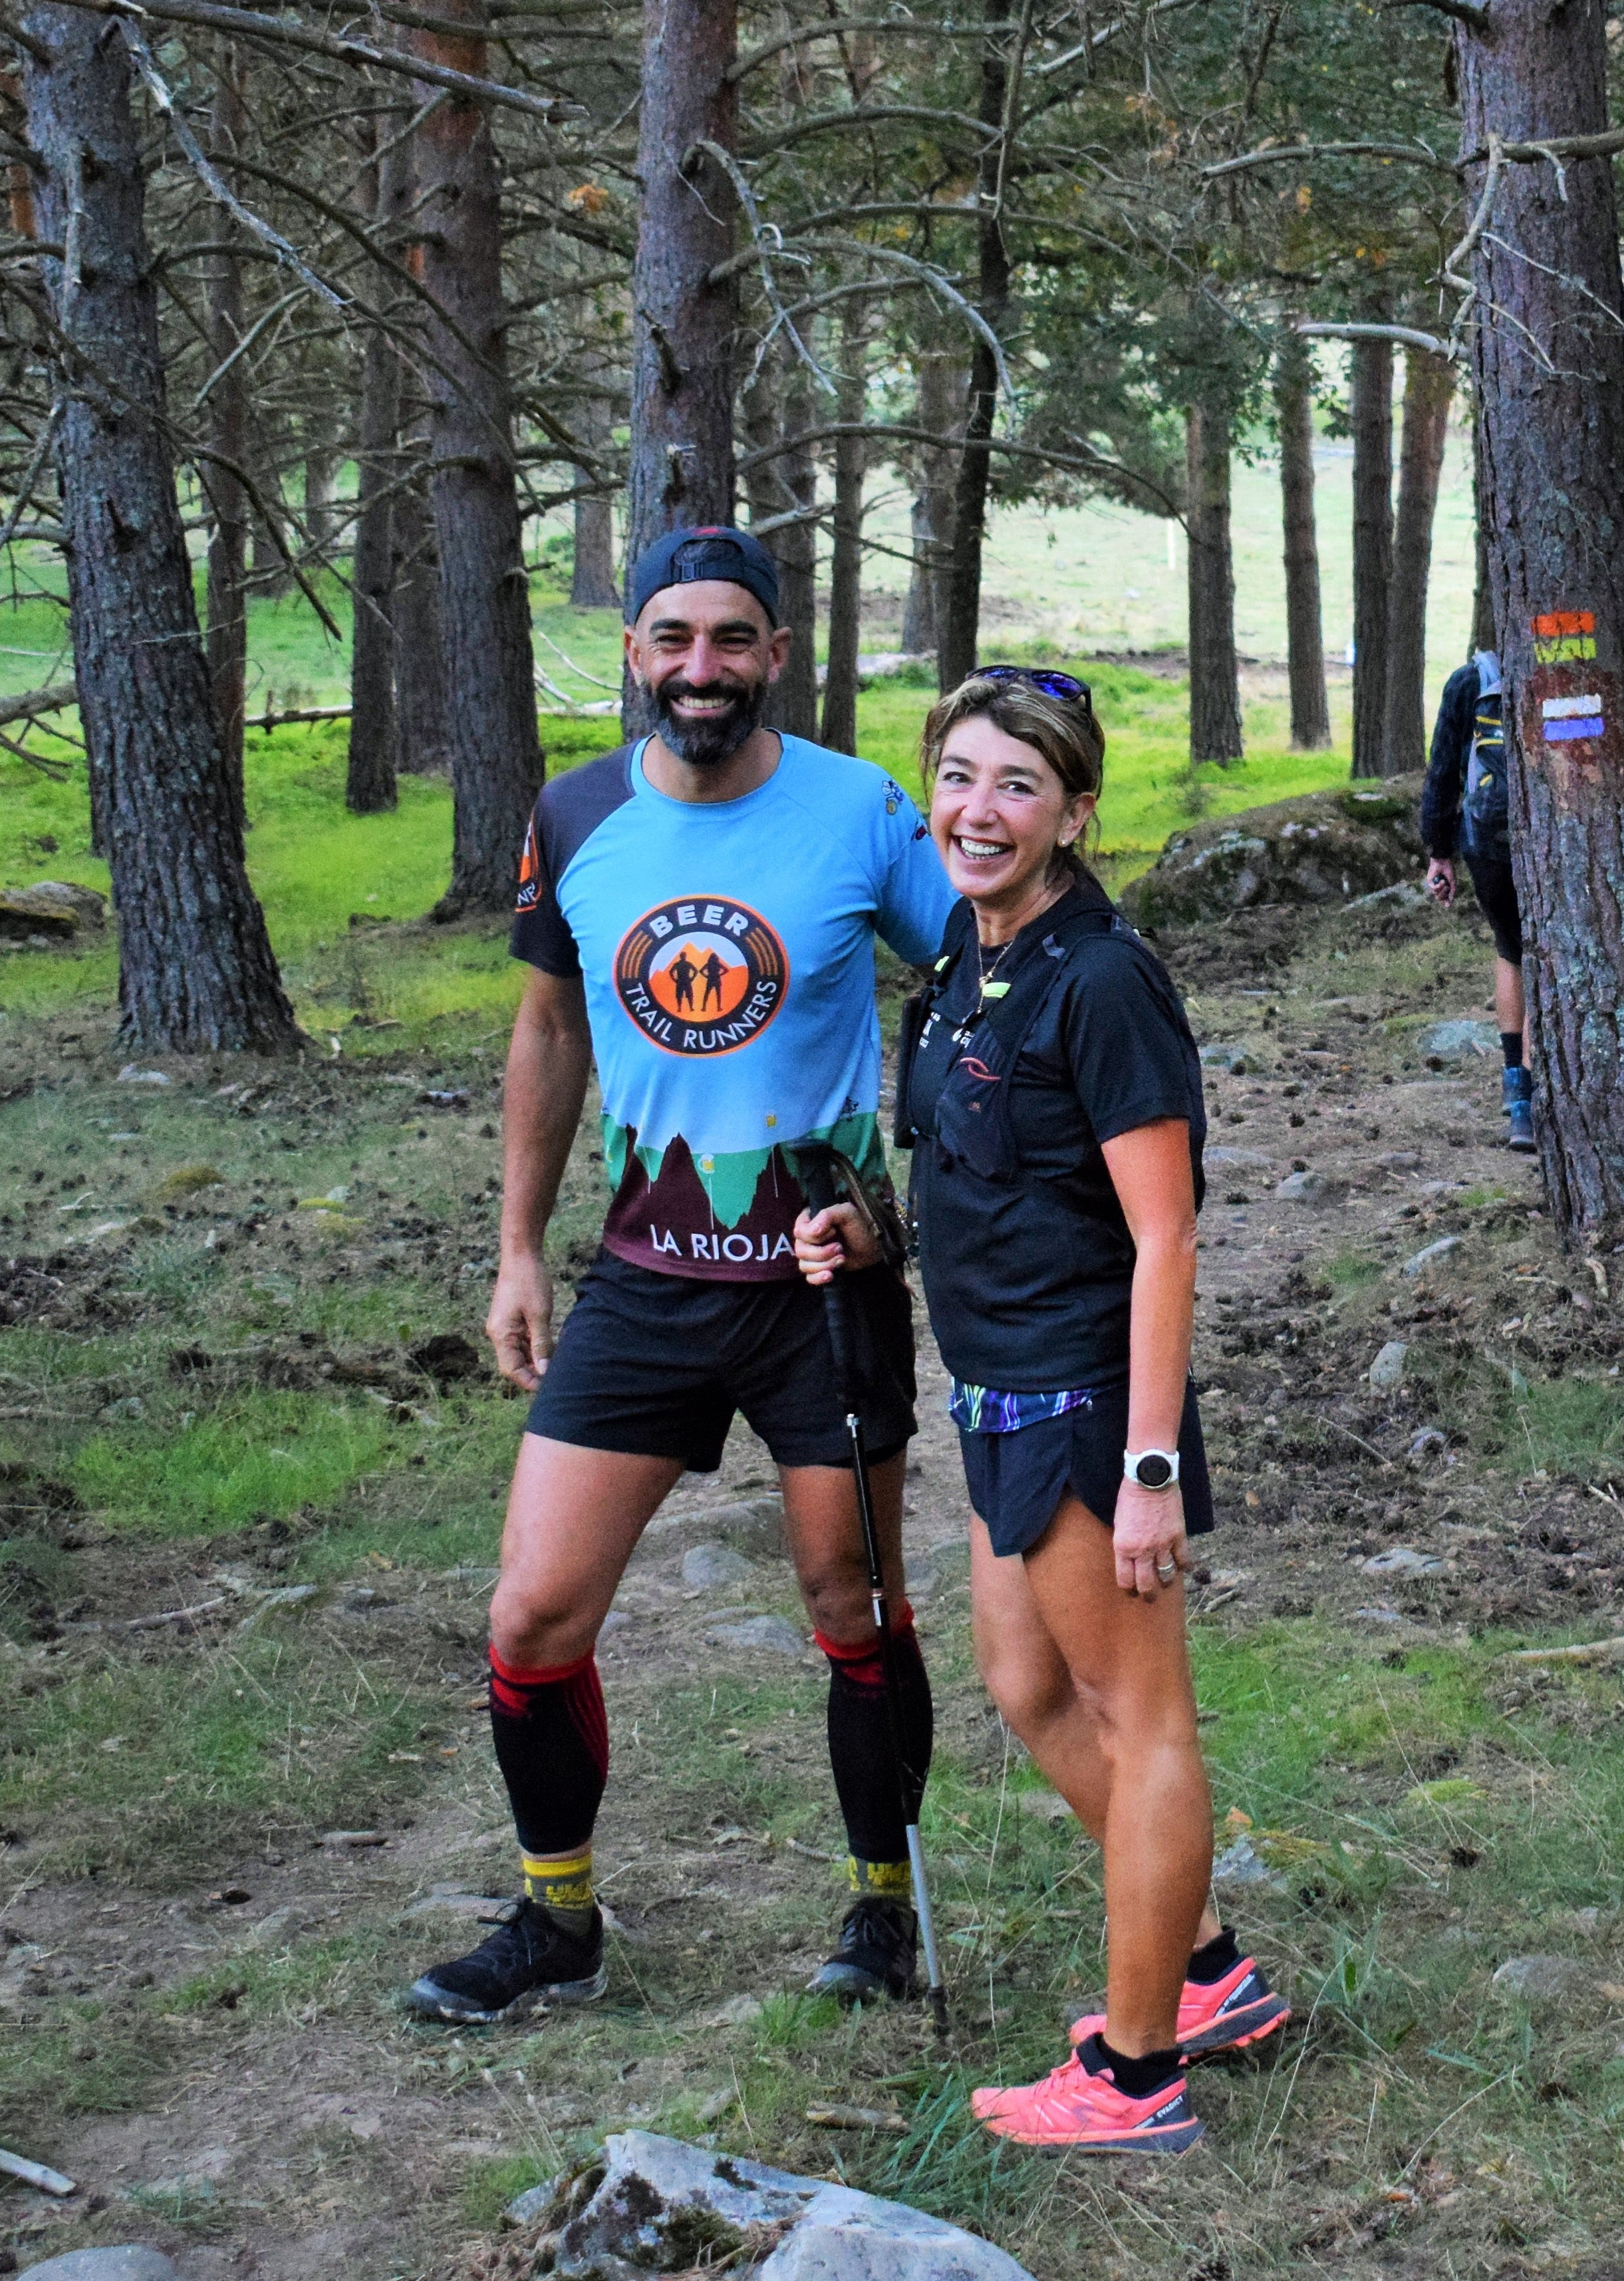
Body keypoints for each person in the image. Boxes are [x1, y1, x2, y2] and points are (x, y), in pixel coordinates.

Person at [414, 525, 956, 2031]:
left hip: (822, 1284)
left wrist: (910, 1212)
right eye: (673, 638)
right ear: (636, 653)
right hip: (646, 1281)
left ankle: (883, 1903)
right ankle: (557, 1919)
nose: (701, 667)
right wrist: (519, 1250)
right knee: (533, 1616)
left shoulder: (862, 808)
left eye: (731, 638)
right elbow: (548, 1031)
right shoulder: (578, 813)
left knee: (851, 1600)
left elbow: (984, 979)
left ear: (776, 652)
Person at [795, 669, 1280, 2157]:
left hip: (1084, 1407)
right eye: (958, 775)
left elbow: (1165, 1235)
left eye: (1018, 783)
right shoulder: (967, 948)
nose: (979, 808)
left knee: (1142, 1718)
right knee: (1026, 1686)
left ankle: (1135, 2076)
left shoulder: (1104, 979)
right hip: (991, 1393)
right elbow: (989, 1172)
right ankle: (1207, 1967)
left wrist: (1150, 1467)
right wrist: (879, 1237)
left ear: (1075, 812)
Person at [1422, 645, 1534, 1150]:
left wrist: (1438, 852)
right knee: (1546, 958)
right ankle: (1531, 1103)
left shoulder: (1471, 680)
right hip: (1556, 841)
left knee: (1511, 949)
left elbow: (1443, 770)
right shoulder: (1566, 671)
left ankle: (1515, 1088)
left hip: (1487, 840)